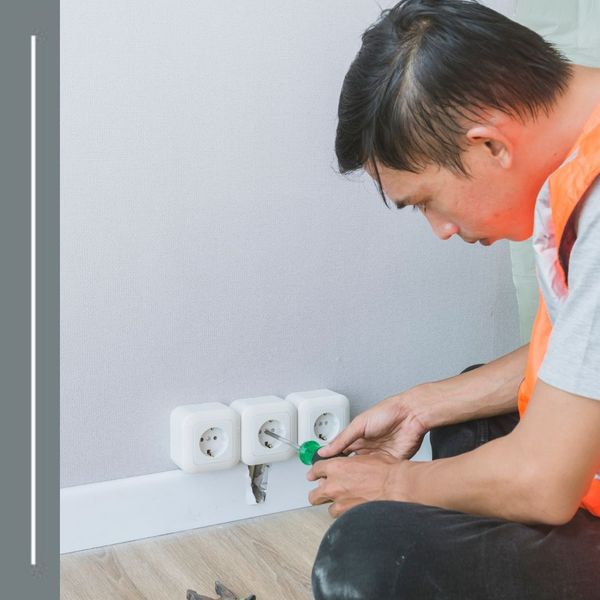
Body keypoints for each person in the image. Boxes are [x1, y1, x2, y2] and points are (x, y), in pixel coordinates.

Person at [307, 1, 600, 598]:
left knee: (372, 555)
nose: (439, 228)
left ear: (489, 145)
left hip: (560, 481)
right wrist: (423, 406)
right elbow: (583, 346)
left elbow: (542, 480)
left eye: (425, 201)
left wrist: (396, 484)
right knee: (476, 415)